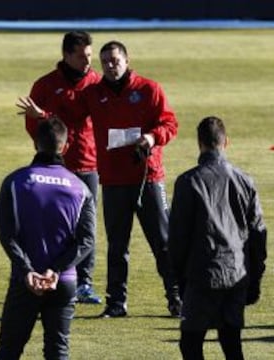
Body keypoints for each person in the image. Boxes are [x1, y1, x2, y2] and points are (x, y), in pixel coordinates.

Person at [18, 40, 182, 318]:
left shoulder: (148, 89)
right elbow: (68, 120)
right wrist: (42, 116)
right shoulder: (94, 93)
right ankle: (116, 304)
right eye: (105, 61)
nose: (109, 65)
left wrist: (152, 137)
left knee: (162, 243)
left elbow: (170, 123)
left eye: (115, 60)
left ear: (127, 61)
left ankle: (177, 299)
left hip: (148, 178)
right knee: (117, 246)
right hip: (114, 181)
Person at [0, 117, 95, 359]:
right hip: (63, 281)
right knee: (58, 352)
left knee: (8, 351)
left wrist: (28, 270)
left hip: (24, 280)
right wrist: (55, 271)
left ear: (34, 143)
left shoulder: (15, 181)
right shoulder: (80, 187)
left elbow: (7, 234)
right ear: (66, 146)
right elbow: (86, 240)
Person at [168, 116, 267, 360]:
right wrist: (254, 276)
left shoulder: (188, 181)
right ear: (226, 142)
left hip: (202, 274)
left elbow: (177, 238)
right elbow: (258, 235)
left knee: (191, 342)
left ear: (199, 143)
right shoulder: (244, 180)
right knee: (231, 341)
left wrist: (179, 278)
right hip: (236, 272)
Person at [16, 30, 101, 304]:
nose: (87, 62)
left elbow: (81, 120)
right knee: (53, 224)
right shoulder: (44, 85)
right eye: (81, 56)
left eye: (89, 55)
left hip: (88, 164)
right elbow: (35, 128)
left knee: (86, 228)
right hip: (53, 168)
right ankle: (46, 273)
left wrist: (45, 116)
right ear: (66, 55)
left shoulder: (96, 83)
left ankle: (84, 282)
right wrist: (42, 127)